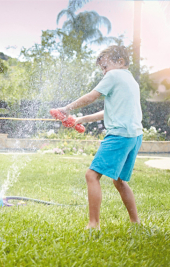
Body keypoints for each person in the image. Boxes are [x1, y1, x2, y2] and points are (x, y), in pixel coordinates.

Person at [56, 45, 143, 229]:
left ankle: (93, 224)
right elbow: (110, 111)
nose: (104, 72)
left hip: (119, 135)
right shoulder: (130, 81)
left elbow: (91, 97)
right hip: (134, 136)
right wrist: (82, 119)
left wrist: (67, 108)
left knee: (91, 175)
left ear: (120, 62)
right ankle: (136, 222)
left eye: (105, 67)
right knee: (119, 181)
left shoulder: (114, 75)